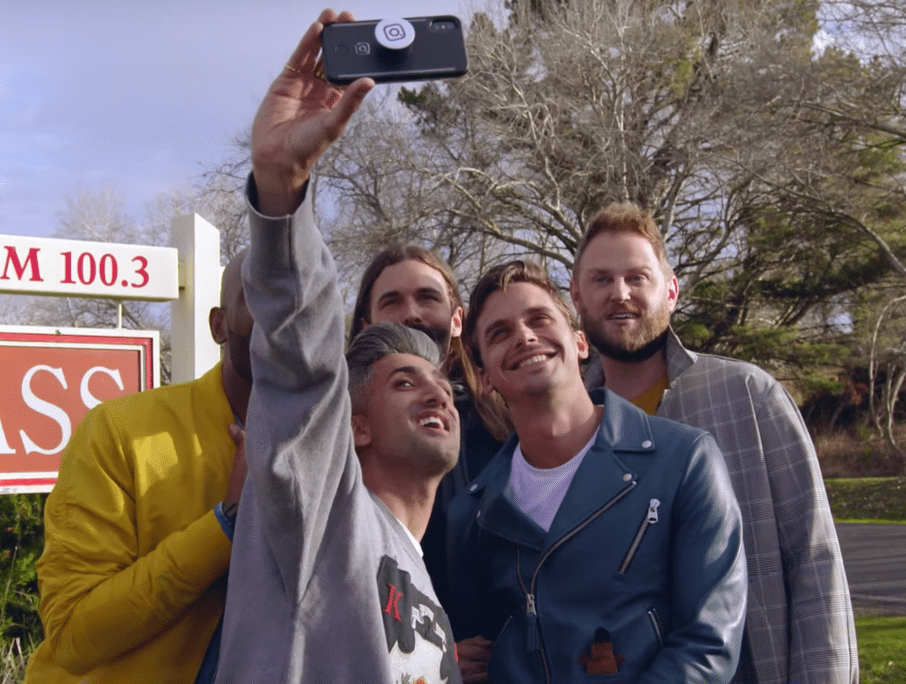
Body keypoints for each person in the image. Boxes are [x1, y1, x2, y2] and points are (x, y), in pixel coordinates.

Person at [213, 10, 462, 682]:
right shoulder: (318, 514)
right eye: (402, 382)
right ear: (351, 426)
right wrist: (282, 186)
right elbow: (300, 362)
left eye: (438, 382)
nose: (436, 390)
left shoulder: (416, 569)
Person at [570, 202, 858, 684]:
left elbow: (814, 557)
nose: (620, 294)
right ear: (577, 296)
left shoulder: (748, 395)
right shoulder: (571, 425)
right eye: (601, 280)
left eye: (637, 277)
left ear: (672, 290)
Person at [447, 259, 747, 683]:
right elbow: (473, 651)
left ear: (581, 342)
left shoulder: (685, 460)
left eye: (540, 319)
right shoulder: (472, 513)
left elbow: (708, 644)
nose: (525, 336)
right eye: (500, 333)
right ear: (486, 376)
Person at [24, 252, 251, 684]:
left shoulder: (342, 446)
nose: (286, 316)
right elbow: (72, 636)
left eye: (301, 302)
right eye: (262, 296)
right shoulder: (119, 430)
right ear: (219, 324)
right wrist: (227, 523)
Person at [349, 246, 509, 609]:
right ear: (366, 326)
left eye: (427, 298)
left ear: (457, 320)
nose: (411, 315)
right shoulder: (339, 441)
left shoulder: (508, 431)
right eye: (392, 302)